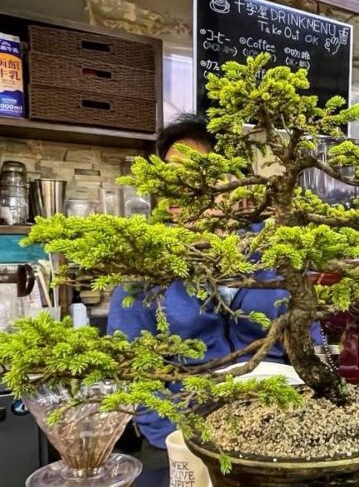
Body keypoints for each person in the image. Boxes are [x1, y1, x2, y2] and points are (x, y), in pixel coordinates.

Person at [108, 113, 320, 451]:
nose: (177, 191)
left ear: (234, 182)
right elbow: (134, 373)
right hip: (187, 433)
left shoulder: (276, 250)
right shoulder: (147, 265)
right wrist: (177, 439)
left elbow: (311, 342)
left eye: (195, 175)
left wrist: (309, 415)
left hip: (281, 422)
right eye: (169, 178)